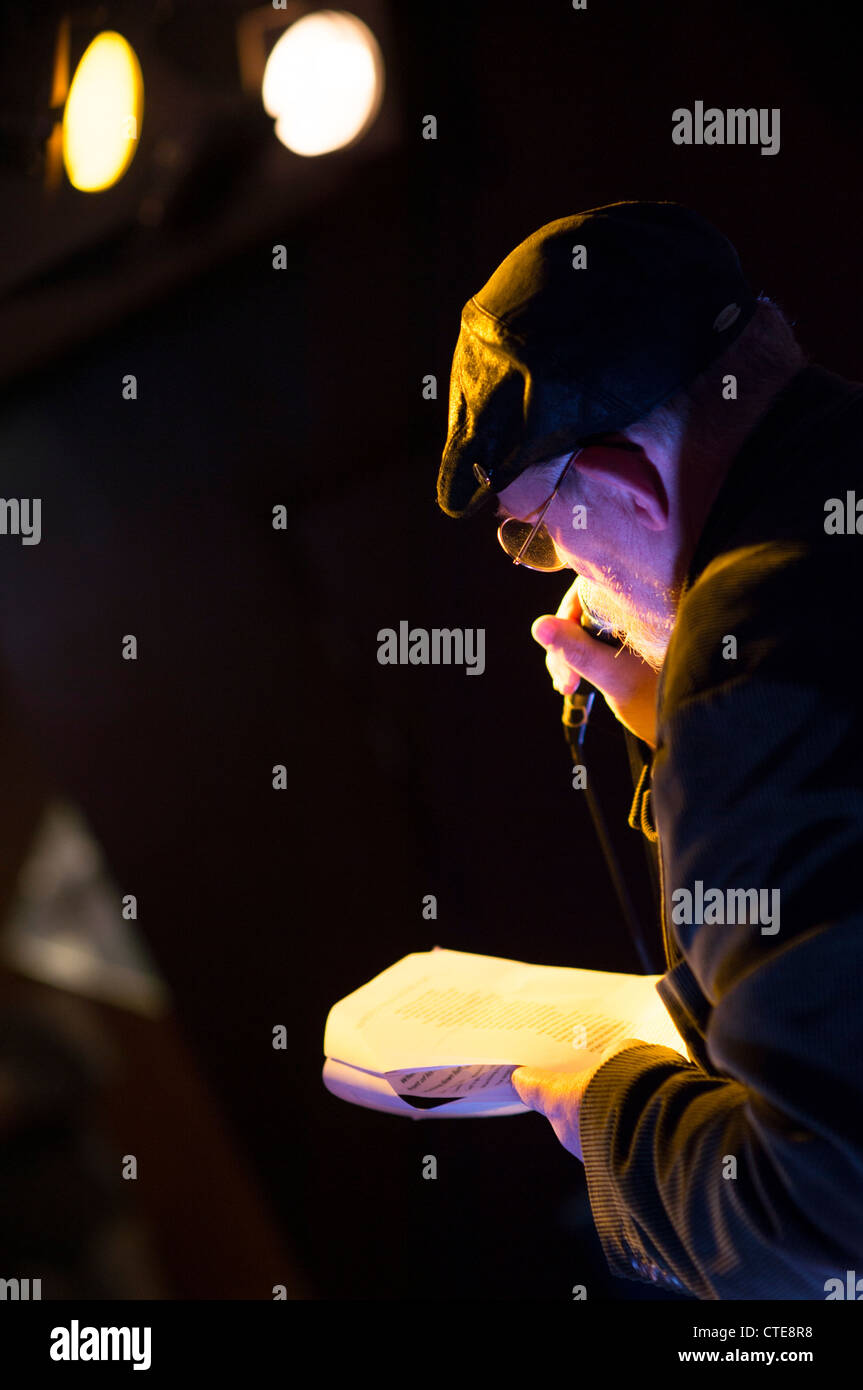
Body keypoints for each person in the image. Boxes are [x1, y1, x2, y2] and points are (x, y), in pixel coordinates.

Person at [436, 200, 863, 1300]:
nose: (564, 570)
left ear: (624, 480)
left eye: (537, 528)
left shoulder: (747, 649)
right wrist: (674, 732)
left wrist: (606, 1107)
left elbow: (814, 1217)